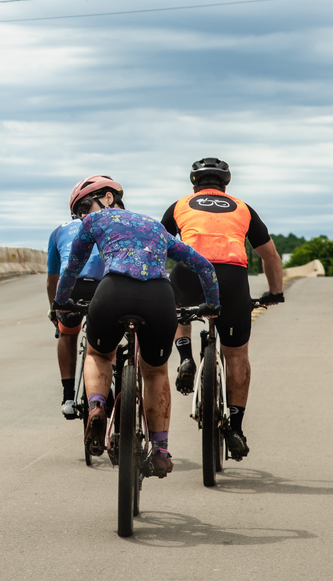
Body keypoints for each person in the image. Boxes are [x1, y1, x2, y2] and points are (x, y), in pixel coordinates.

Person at [54, 175, 219, 478]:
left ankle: (96, 407)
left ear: (106, 198)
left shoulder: (94, 223)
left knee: (98, 354)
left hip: (113, 291)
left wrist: (61, 302)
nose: (82, 216)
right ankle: (159, 450)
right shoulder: (155, 226)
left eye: (83, 207)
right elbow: (204, 267)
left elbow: (72, 268)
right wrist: (212, 305)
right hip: (159, 297)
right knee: (155, 371)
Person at [161, 157, 285, 461]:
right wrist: (275, 293)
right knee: (237, 354)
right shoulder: (242, 208)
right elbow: (270, 257)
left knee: (180, 308)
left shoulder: (180, 205)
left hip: (190, 272)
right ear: (226, 184)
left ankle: (186, 358)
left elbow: (156, 246)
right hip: (232, 278)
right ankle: (236, 428)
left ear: (194, 184)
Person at [46, 211, 105, 420]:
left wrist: (55, 311)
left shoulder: (59, 231)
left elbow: (52, 281)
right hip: (104, 286)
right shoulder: (108, 224)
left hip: (71, 287)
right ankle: (109, 385)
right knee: (108, 335)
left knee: (67, 333)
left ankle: (68, 397)